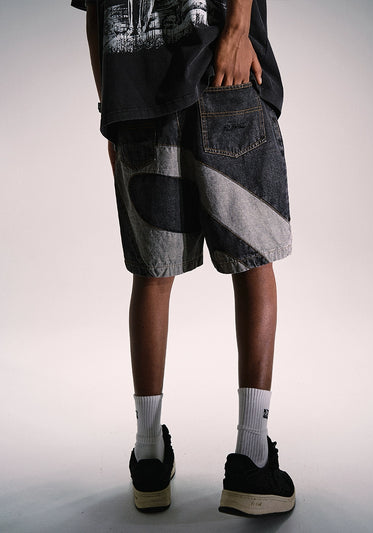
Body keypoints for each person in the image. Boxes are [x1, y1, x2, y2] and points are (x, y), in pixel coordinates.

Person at [71, 0, 295, 517]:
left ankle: (149, 456)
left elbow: (95, 15)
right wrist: (236, 31)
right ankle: (253, 460)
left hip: (138, 96)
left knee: (153, 276)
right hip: (220, 71)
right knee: (252, 263)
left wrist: (111, 108)